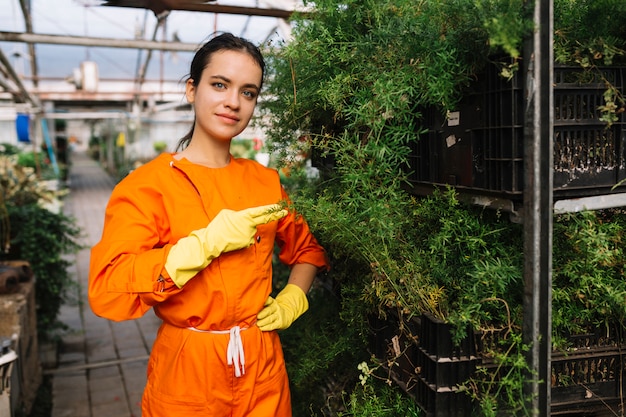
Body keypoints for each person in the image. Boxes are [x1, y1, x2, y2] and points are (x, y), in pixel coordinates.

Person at [88, 32, 329, 417]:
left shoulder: (265, 182)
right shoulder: (149, 185)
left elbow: (308, 250)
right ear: (191, 89)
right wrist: (199, 247)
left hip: (262, 363)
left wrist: (293, 296)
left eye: (248, 92)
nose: (233, 102)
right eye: (220, 85)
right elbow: (108, 286)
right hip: (188, 368)